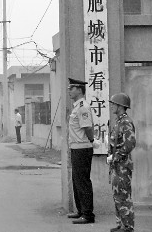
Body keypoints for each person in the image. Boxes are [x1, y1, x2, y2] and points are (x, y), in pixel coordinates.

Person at [66, 78, 98, 224]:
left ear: (79, 89)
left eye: (71, 88)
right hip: (76, 148)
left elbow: (87, 127)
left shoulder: (83, 107)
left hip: (82, 148)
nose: (69, 90)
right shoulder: (76, 106)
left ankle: (88, 214)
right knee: (76, 181)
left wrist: (92, 140)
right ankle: (80, 211)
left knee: (83, 181)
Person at [108, 93, 136, 232]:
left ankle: (128, 226)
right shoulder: (119, 121)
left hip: (123, 166)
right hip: (117, 165)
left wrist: (117, 156)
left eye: (114, 104)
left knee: (123, 196)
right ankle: (121, 224)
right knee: (117, 195)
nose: (112, 106)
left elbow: (130, 143)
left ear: (120, 106)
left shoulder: (126, 122)